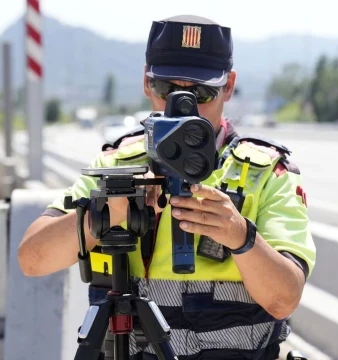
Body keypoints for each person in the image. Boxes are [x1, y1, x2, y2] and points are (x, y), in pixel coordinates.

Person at [17, 14, 316, 360]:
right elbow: (32, 260)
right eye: (167, 90)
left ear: (229, 86)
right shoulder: (116, 166)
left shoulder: (267, 174)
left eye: (201, 93)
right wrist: (103, 215)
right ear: (147, 82)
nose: (181, 107)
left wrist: (240, 237)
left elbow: (284, 299)